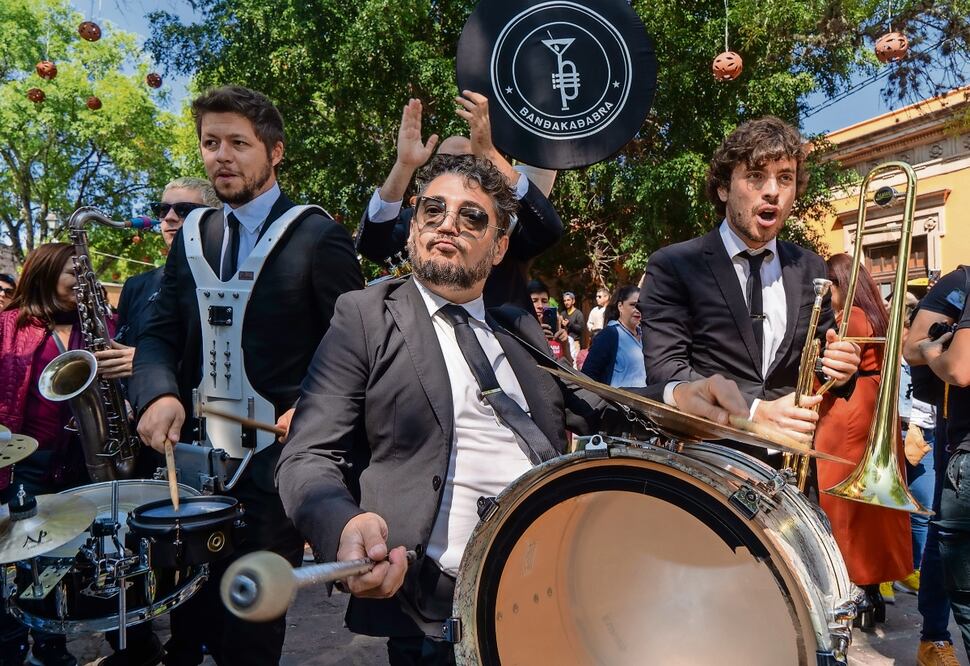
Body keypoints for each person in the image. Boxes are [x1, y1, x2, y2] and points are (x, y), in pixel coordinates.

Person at [277, 154, 751, 666]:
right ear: (413, 228)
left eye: (472, 216)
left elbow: (600, 406)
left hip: (557, 582)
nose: (447, 224)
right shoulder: (366, 316)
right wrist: (343, 526)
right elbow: (307, 457)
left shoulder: (517, 327)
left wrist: (680, 396)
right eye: (432, 210)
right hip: (438, 608)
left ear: (500, 246)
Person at [130, 85, 363, 666]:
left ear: (275, 151)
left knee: (251, 626)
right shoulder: (191, 237)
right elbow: (157, 332)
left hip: (274, 470)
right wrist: (157, 394)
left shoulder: (317, 235)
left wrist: (312, 411)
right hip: (195, 466)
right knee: (186, 614)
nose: (222, 157)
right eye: (211, 143)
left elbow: (354, 347)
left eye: (238, 143)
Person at [639, 116, 861, 448]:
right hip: (706, 463)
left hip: (789, 468)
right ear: (724, 187)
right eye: (756, 177)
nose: (773, 191)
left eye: (785, 178)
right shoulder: (674, 265)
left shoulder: (810, 265)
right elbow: (666, 372)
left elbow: (819, 362)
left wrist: (840, 371)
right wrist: (755, 411)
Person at [0, 243, 114, 666]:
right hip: (26, 462)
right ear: (47, 273)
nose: (83, 281)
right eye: (73, 272)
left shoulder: (104, 324)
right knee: (19, 558)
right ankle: (12, 644)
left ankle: (51, 647)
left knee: (61, 558)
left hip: (85, 458)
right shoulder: (9, 325)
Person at [355, 93, 563, 310]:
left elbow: (546, 229)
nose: (454, 170)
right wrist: (404, 166)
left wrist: (491, 155)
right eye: (444, 163)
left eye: (466, 163)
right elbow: (372, 244)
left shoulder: (502, 218)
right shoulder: (418, 219)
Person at [813, 254, 912, 629]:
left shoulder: (850, 315)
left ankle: (856, 589)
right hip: (871, 411)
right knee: (870, 512)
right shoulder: (875, 312)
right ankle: (871, 589)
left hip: (849, 415)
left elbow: (835, 372)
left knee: (846, 510)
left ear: (838, 284)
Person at [906, 265, 970, 662]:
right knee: (943, 539)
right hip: (956, 436)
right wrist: (938, 351)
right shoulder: (959, 283)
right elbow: (911, 347)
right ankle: (934, 637)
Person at [115, 177, 221, 349]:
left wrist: (147, 361)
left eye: (185, 210)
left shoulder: (228, 279)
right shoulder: (134, 286)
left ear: (212, 217)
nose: (169, 218)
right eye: (162, 209)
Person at [582, 285, 645, 388]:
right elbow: (588, 375)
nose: (638, 309)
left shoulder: (645, 335)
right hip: (618, 402)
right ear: (620, 306)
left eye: (640, 305)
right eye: (633, 304)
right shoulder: (609, 335)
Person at [527, 278, 572, 365]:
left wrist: (564, 345)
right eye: (534, 301)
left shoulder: (559, 334)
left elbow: (569, 369)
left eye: (544, 301)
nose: (540, 306)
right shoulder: (521, 332)